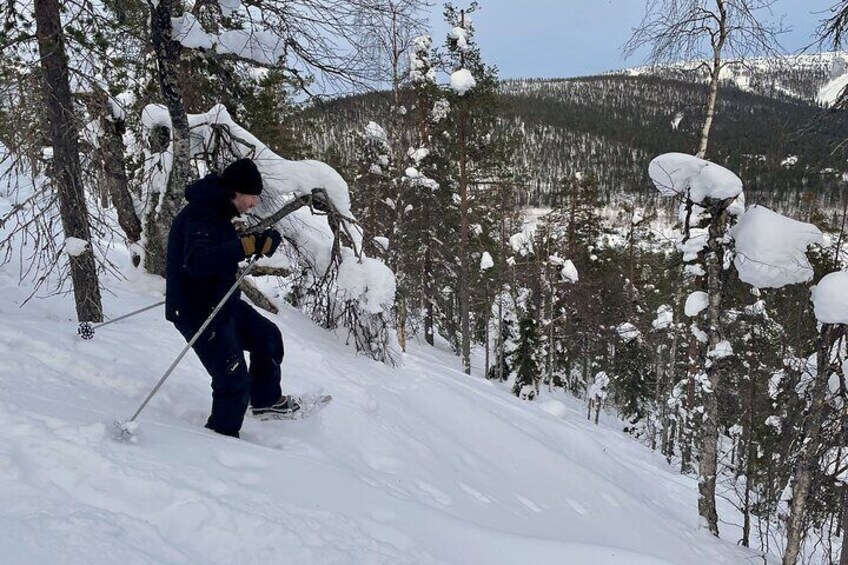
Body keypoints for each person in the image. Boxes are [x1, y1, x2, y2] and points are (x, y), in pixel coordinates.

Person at [165, 158, 298, 438]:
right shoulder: (201, 214)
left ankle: (265, 403)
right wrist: (245, 246)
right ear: (236, 192)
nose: (254, 203)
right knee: (232, 379)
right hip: (197, 310)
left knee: (268, 337)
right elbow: (198, 261)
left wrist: (257, 243)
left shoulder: (218, 211)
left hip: (222, 301)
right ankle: (221, 439)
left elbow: (221, 249)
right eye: (252, 197)